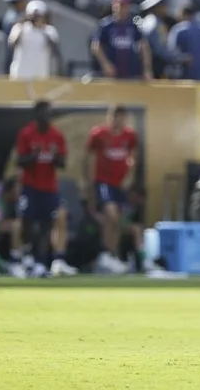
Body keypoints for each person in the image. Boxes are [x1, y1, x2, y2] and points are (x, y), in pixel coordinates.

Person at [15, 101, 67, 277]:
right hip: (30, 186)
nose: (47, 118)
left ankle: (41, 262)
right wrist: (34, 155)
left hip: (49, 188)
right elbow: (21, 161)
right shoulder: (26, 134)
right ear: (37, 115)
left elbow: (62, 163)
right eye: (43, 114)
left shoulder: (57, 136)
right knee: (27, 223)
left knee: (46, 226)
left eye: (49, 114)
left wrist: (55, 156)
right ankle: (27, 253)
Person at [84, 105, 137, 274]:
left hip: (120, 184)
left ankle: (112, 256)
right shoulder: (98, 135)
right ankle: (107, 254)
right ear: (109, 117)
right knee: (111, 213)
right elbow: (89, 159)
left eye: (121, 117)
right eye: (114, 117)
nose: (117, 121)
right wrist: (90, 184)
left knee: (116, 220)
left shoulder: (130, 136)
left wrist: (129, 177)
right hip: (103, 182)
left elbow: (133, 158)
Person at [91, 0, 153, 81]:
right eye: (119, 4)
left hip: (131, 72)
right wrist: (105, 64)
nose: (121, 8)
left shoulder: (134, 25)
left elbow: (144, 47)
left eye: (124, 5)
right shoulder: (106, 25)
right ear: (113, 5)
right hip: (112, 73)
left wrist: (147, 69)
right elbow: (96, 47)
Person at [8, 0, 62, 80]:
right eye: (35, 16)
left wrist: (42, 29)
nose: (37, 19)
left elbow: (55, 49)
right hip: (20, 75)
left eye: (40, 16)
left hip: (41, 76)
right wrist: (22, 24)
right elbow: (12, 43)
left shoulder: (49, 31)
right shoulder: (19, 28)